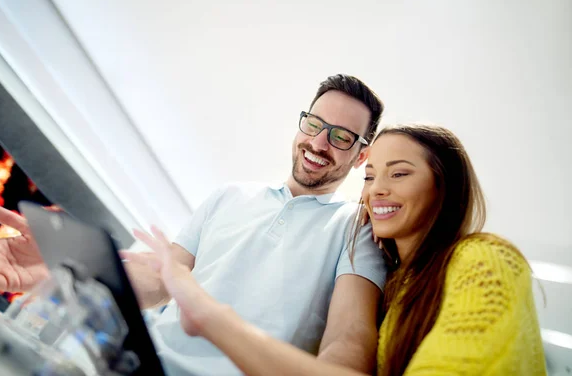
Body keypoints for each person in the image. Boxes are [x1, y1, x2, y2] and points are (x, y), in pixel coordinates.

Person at [0, 74, 387, 375]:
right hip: (134, 363)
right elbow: (159, 282)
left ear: (361, 156)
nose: (318, 144)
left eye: (340, 137)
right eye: (314, 125)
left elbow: (347, 345)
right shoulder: (230, 195)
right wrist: (53, 271)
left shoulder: (356, 228)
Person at [138, 124, 547, 375]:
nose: (377, 189)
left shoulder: (483, 257)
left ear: (445, 185)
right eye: (371, 177)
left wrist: (207, 314)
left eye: (399, 173)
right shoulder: (400, 290)